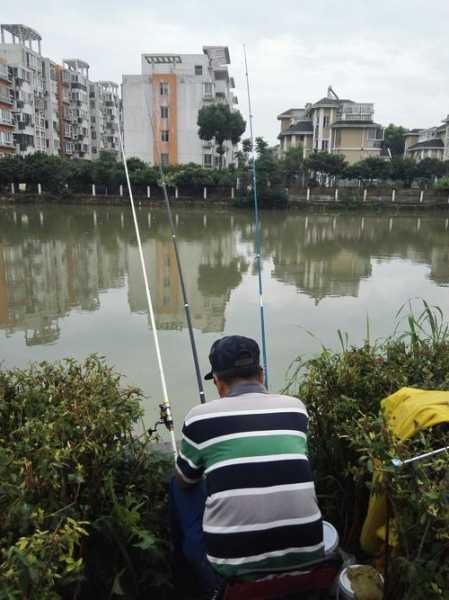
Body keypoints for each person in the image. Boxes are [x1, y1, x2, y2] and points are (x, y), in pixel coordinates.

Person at [170, 335, 324, 593]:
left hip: (233, 575)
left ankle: (184, 579)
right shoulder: (296, 409)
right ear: (261, 375)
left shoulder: (199, 418)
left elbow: (185, 480)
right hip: (309, 560)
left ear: (218, 383)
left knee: (178, 485)